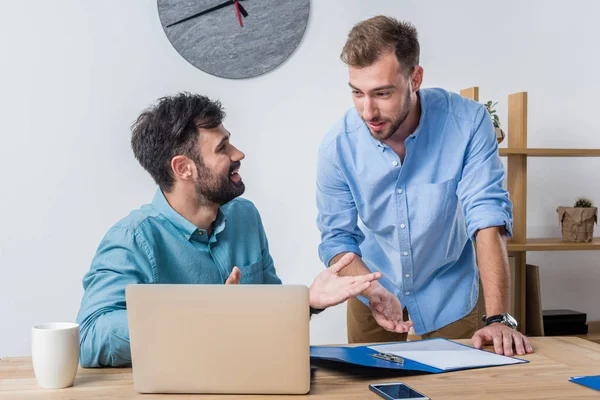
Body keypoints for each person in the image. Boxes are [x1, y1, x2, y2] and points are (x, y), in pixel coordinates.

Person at [76, 93, 381, 368]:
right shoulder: (132, 239)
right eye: (222, 148)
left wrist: (308, 302)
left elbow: (268, 318)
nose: (238, 154)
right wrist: (203, 315)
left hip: (248, 378)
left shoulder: (244, 217)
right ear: (183, 168)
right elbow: (90, 338)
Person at [316, 16, 533, 356]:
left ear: (415, 78)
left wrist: (499, 317)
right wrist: (372, 291)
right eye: (357, 93)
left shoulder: (468, 123)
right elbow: (337, 239)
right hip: (371, 283)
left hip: (450, 290)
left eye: (382, 93)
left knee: (460, 389)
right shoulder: (337, 146)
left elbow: (487, 218)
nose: (367, 110)